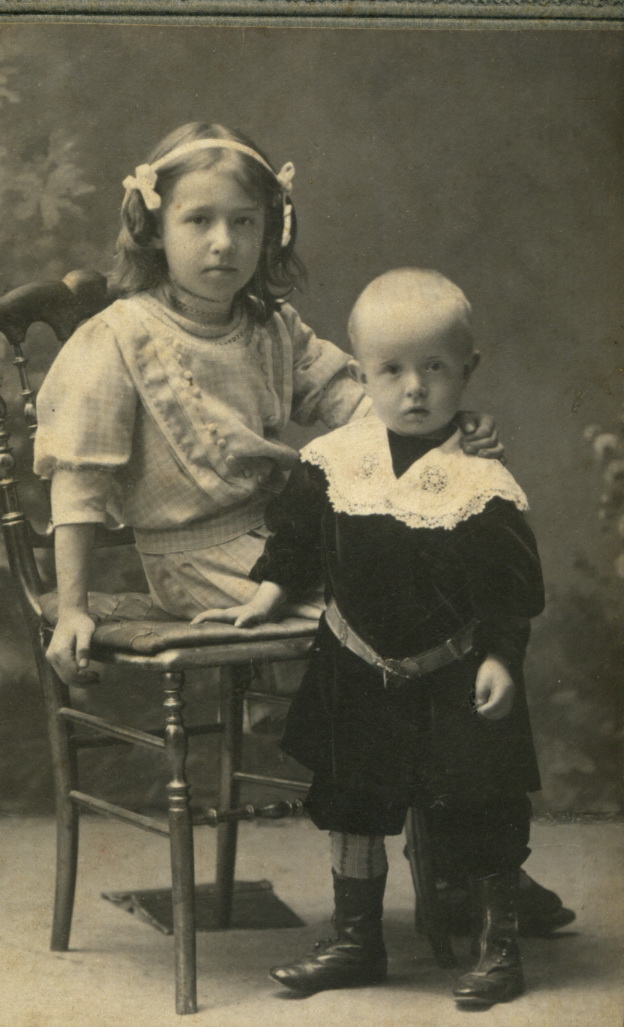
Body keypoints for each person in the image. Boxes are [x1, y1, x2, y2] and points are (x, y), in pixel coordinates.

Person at [193, 268, 553, 1007]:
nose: (414, 388)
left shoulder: (480, 480)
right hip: (355, 670)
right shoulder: (335, 461)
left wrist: (500, 658)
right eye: (392, 370)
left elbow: (507, 590)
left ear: (468, 370)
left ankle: (497, 949)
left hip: (453, 673)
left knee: (480, 806)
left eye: (435, 368)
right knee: (353, 803)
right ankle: (357, 939)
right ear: (361, 374)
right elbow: (297, 544)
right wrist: (265, 596)